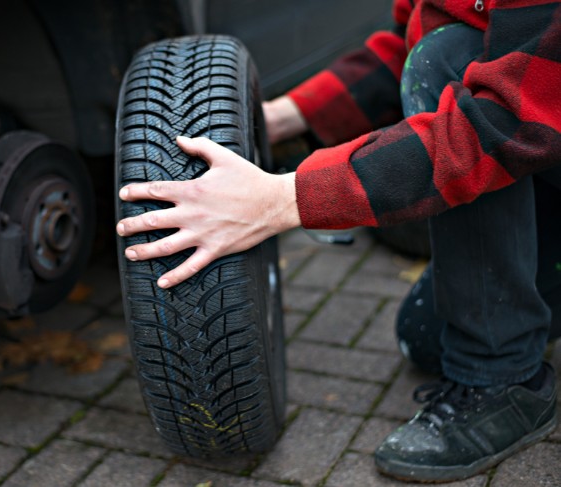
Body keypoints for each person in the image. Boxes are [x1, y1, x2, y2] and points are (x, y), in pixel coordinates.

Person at [116, 0, 561, 482]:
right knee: (425, 339)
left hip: (529, 128)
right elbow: (406, 45)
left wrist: (280, 200)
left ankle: (504, 384)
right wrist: (280, 117)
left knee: (445, 56)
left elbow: (504, 125)